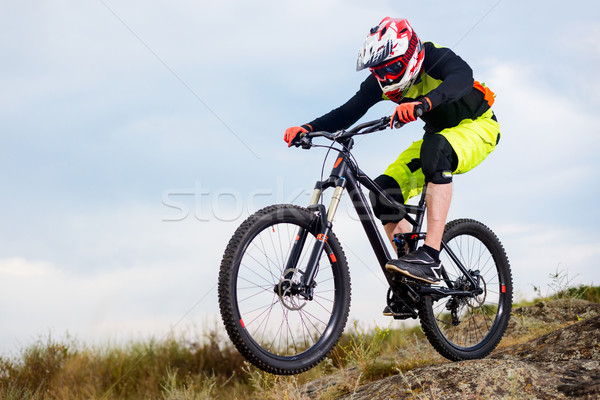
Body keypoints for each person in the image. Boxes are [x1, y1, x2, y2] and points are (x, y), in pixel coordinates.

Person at [284, 17, 499, 294]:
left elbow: (462, 77)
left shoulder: (435, 57)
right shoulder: (382, 83)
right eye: (378, 72)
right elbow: (348, 112)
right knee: (383, 192)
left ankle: (430, 258)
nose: (385, 78)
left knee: (435, 150)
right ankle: (410, 274)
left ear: (409, 54)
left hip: (478, 126)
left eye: (391, 68)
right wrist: (308, 128)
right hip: (437, 136)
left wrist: (423, 103)